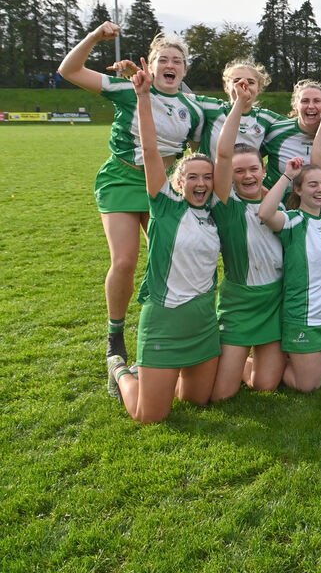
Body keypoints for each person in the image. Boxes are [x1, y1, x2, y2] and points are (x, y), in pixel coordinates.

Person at [59, 22, 204, 365]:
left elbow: (199, 152)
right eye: (163, 59)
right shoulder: (128, 89)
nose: (170, 65)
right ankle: (115, 338)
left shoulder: (195, 108)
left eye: (177, 61)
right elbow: (69, 70)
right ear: (150, 66)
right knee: (125, 260)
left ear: (184, 70)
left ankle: (168, 329)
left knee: (170, 260)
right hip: (121, 180)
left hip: (163, 187)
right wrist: (96, 36)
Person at [106, 60, 218, 423]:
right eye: (193, 177)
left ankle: (164, 374)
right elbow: (151, 149)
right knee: (149, 416)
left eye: (207, 177)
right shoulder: (165, 205)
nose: (201, 183)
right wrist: (143, 98)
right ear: (179, 182)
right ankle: (121, 369)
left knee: (198, 400)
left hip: (203, 320)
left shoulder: (216, 211)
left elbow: (228, 157)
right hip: (165, 319)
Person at [208, 80, 285, 400]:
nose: (248, 176)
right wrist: (239, 104)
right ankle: (221, 362)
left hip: (274, 300)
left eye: (253, 169)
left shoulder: (277, 200)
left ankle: (246, 361)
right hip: (240, 302)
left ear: (263, 169)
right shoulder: (225, 203)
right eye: (239, 172)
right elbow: (223, 154)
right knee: (222, 394)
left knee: (265, 385)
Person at [259, 158, 321, 392]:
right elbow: (266, 213)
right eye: (313, 184)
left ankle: (302, 361)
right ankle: (270, 368)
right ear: (298, 190)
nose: (320, 190)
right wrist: (287, 175)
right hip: (304, 317)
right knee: (309, 386)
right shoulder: (292, 221)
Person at [261, 80, 321, 187]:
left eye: (317, 101)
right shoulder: (276, 132)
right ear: (295, 106)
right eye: (305, 101)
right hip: (277, 197)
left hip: (315, 197)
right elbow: (252, 160)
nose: (311, 106)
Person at [194, 60, 282, 157]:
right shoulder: (211, 107)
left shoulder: (267, 119)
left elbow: (293, 126)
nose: (244, 85)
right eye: (236, 81)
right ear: (227, 87)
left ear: (258, 89)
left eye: (251, 82)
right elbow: (182, 98)